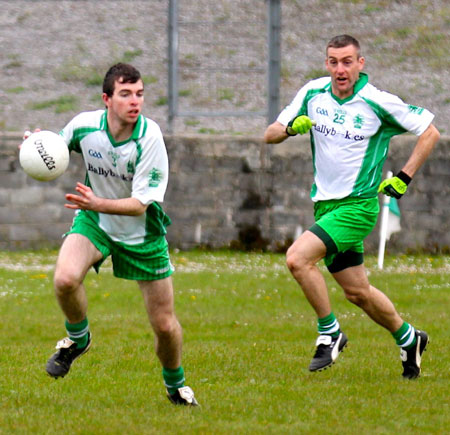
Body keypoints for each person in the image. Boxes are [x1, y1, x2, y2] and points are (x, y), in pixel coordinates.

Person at [263, 35, 440, 379]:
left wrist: (404, 176)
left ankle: (330, 333)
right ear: (326, 63)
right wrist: (289, 129)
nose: (340, 69)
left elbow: (430, 132)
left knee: (298, 259)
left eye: (347, 61)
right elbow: (269, 134)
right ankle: (409, 338)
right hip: (325, 207)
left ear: (361, 64)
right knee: (357, 292)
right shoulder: (313, 93)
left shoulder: (376, 102)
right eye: (333, 61)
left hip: (358, 208)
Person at [38, 63, 198, 405]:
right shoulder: (86, 126)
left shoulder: (149, 137)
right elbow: (57, 148)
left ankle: (175, 385)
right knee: (65, 279)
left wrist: (97, 201)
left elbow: (141, 204)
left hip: (142, 235)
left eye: (139, 94)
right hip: (95, 222)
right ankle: (77, 340)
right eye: (125, 94)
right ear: (106, 99)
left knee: (165, 326)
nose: (134, 101)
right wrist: (36, 147)